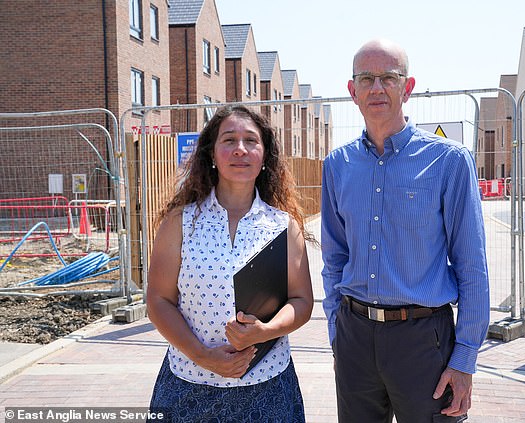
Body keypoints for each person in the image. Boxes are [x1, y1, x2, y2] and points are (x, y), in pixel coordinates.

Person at [321, 39, 490, 422]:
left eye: (388, 78)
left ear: (408, 87)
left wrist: (464, 360)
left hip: (423, 343)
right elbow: (334, 259)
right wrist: (337, 335)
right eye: (366, 78)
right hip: (355, 339)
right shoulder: (337, 166)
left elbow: (472, 267)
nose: (376, 88)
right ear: (352, 91)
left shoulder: (449, 161)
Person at [146, 105, 314, 422]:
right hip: (189, 387)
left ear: (265, 156)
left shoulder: (283, 225)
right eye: (229, 140)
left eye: (251, 140)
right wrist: (202, 356)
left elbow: (302, 301)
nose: (240, 149)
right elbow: (158, 300)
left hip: (268, 387)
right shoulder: (180, 223)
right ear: (211, 153)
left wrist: (266, 331)